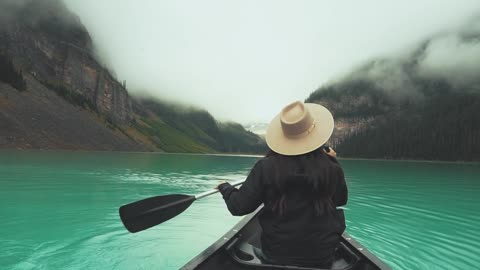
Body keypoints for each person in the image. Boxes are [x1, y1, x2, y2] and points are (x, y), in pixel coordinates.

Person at [216, 101, 347, 268]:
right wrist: (334, 161)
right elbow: (340, 200)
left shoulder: (266, 167)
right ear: (314, 133)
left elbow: (239, 207)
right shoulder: (331, 167)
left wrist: (225, 188)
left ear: (284, 136)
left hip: (276, 255)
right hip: (321, 256)